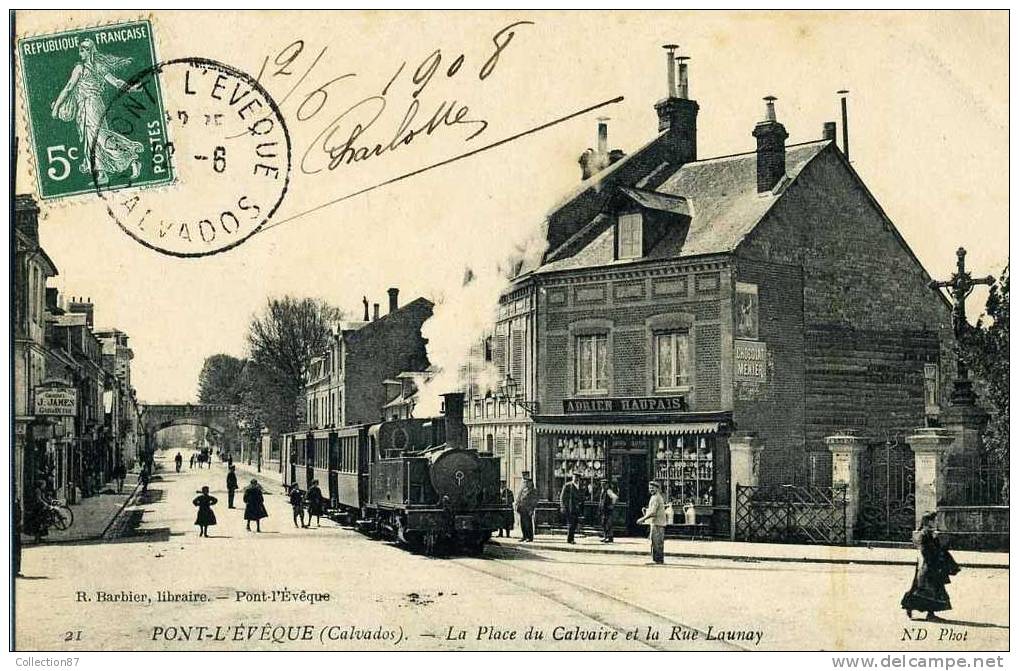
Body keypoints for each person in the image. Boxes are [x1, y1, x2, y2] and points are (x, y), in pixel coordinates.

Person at [49, 38, 144, 185]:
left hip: (90, 106)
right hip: (94, 105)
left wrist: (56, 108)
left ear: (88, 51)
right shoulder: (98, 66)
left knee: (99, 138)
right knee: (93, 139)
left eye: (82, 50)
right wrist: (130, 88)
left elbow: (68, 88)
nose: (80, 53)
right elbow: (116, 82)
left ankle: (131, 158)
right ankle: (102, 174)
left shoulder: (80, 68)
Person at [901, 511, 960, 621]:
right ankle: (920, 610)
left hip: (932, 565)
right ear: (928, 522)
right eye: (934, 520)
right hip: (927, 566)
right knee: (926, 589)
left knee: (932, 589)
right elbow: (925, 551)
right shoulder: (924, 534)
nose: (936, 522)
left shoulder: (932, 534)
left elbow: (939, 548)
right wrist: (933, 560)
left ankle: (926, 612)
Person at [636, 480, 668, 564]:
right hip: (657, 522)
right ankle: (658, 559)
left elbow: (653, 512)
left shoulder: (656, 498)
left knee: (656, 542)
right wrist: (646, 511)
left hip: (657, 523)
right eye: (650, 488)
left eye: (653, 488)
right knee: (656, 541)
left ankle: (657, 560)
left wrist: (642, 519)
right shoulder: (655, 497)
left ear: (657, 488)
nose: (651, 490)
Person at [559, 472, 583, 544]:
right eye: (574, 477)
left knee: (574, 524)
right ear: (572, 477)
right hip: (569, 508)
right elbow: (562, 497)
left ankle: (571, 538)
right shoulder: (568, 486)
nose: (576, 479)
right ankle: (570, 539)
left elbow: (582, 496)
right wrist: (562, 506)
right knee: (571, 524)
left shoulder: (580, 486)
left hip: (577, 509)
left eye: (577, 477)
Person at [516, 472, 538, 542]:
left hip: (528, 509)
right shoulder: (524, 490)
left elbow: (534, 501)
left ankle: (530, 537)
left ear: (531, 483)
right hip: (522, 509)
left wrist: (532, 509)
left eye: (528, 483)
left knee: (528, 523)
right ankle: (524, 536)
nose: (526, 484)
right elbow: (520, 498)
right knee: (523, 523)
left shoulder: (533, 491)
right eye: (526, 483)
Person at [599, 478, 618, 543]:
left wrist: (612, 505)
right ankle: (605, 536)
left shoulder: (608, 491)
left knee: (608, 524)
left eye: (604, 484)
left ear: (607, 485)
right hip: (603, 510)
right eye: (602, 484)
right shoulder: (602, 490)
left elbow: (615, 497)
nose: (602, 485)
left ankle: (609, 537)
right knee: (604, 523)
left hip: (607, 510)